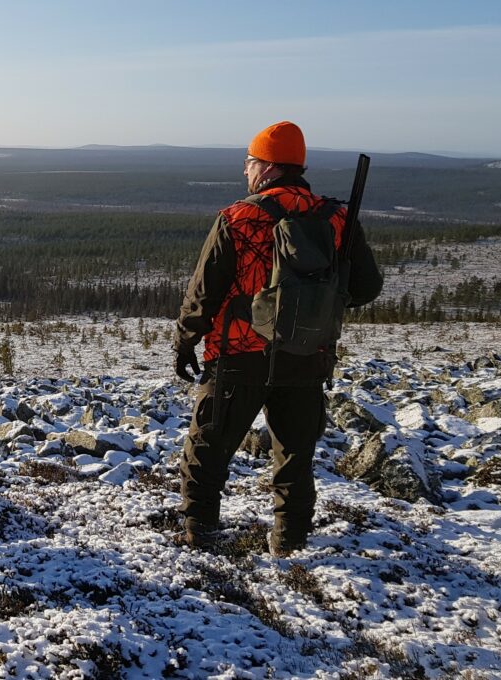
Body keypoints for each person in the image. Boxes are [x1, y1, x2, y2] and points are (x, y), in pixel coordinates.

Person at [173, 121, 383, 554]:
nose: (246, 172)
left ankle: (202, 536)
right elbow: (366, 287)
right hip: (307, 356)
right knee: (295, 456)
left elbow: (203, 292)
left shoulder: (237, 217)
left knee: (207, 450)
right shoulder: (337, 218)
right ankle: (289, 544)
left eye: (250, 163)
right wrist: (322, 302)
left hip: (238, 356)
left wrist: (185, 340)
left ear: (267, 168)